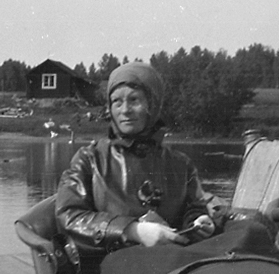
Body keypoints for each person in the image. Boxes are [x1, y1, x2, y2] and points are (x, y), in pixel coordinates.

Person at [55, 61, 220, 252]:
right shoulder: (89, 159)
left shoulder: (181, 164)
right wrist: (132, 230)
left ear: (153, 104)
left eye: (134, 100)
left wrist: (199, 221)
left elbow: (194, 207)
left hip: (171, 265)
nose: (125, 110)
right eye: (117, 101)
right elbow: (68, 216)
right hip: (110, 271)